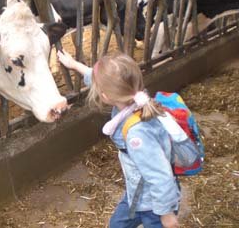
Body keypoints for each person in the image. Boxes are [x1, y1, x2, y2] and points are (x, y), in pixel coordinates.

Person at [57, 50, 180, 228]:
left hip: (154, 204)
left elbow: (160, 176)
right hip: (136, 193)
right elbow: (99, 78)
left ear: (106, 96)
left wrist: (167, 214)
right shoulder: (135, 95)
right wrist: (74, 65)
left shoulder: (137, 135)